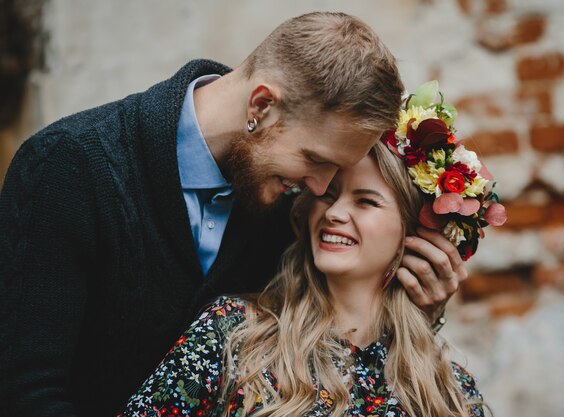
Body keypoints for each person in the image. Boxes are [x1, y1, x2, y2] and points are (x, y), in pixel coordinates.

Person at [0, 12, 466, 416]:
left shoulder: (288, 201)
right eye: (316, 159)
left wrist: (411, 305)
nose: (321, 190)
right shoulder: (68, 167)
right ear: (261, 106)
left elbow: (328, 334)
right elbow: (25, 392)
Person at [120, 141, 484, 417]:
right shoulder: (233, 334)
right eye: (327, 194)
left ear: (414, 233)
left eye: (366, 201)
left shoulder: (446, 386)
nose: (335, 212)